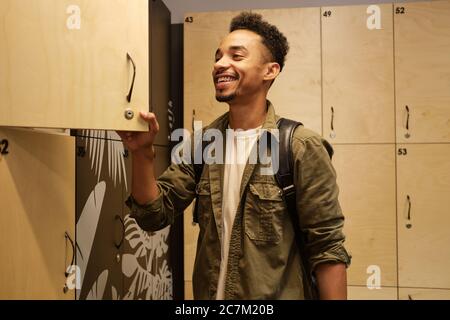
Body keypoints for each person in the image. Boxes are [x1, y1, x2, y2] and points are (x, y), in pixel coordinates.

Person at [118, 12, 351, 300]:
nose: (219, 64)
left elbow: (327, 249)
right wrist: (142, 153)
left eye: (236, 56)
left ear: (270, 70)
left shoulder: (300, 147)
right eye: (218, 57)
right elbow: (154, 215)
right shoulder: (204, 145)